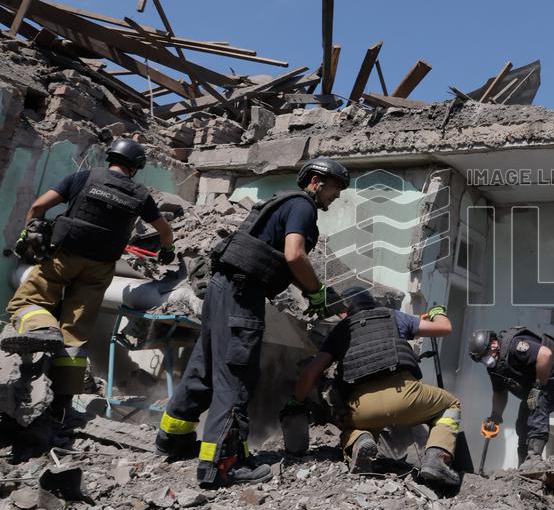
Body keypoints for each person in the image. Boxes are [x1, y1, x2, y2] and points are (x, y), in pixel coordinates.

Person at [154, 157, 349, 489]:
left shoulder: (278, 205)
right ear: (316, 182)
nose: (337, 195)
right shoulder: (303, 206)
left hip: (221, 290)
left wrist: (312, 291)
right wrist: (318, 293)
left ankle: (173, 438)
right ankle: (223, 464)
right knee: (236, 374)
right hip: (244, 295)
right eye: (336, 187)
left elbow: (278, 259)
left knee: (204, 367)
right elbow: (294, 255)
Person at [2, 138, 174, 418]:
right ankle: (61, 406)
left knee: (24, 303)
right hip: (100, 269)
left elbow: (37, 208)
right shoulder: (141, 195)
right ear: (137, 167)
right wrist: (167, 252)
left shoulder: (85, 177)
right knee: (76, 333)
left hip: (63, 256)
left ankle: (43, 328)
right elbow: (165, 232)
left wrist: (27, 236)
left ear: (111, 157)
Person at [285, 287, 461, 489]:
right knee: (451, 405)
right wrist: (437, 313)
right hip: (407, 397)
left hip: (363, 408)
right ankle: (437, 458)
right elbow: (444, 328)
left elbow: (310, 373)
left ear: (346, 311)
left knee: (351, 427)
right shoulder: (394, 316)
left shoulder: (340, 330)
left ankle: (360, 440)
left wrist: (295, 402)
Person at [468, 327, 554, 465]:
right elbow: (499, 392)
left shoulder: (515, 346)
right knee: (523, 421)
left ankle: (534, 458)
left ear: (494, 344)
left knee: (538, 401)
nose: (485, 361)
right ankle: (524, 464)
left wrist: (538, 386)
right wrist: (495, 416)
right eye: (480, 360)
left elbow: (545, 354)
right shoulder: (495, 367)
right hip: (541, 384)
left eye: (485, 355)